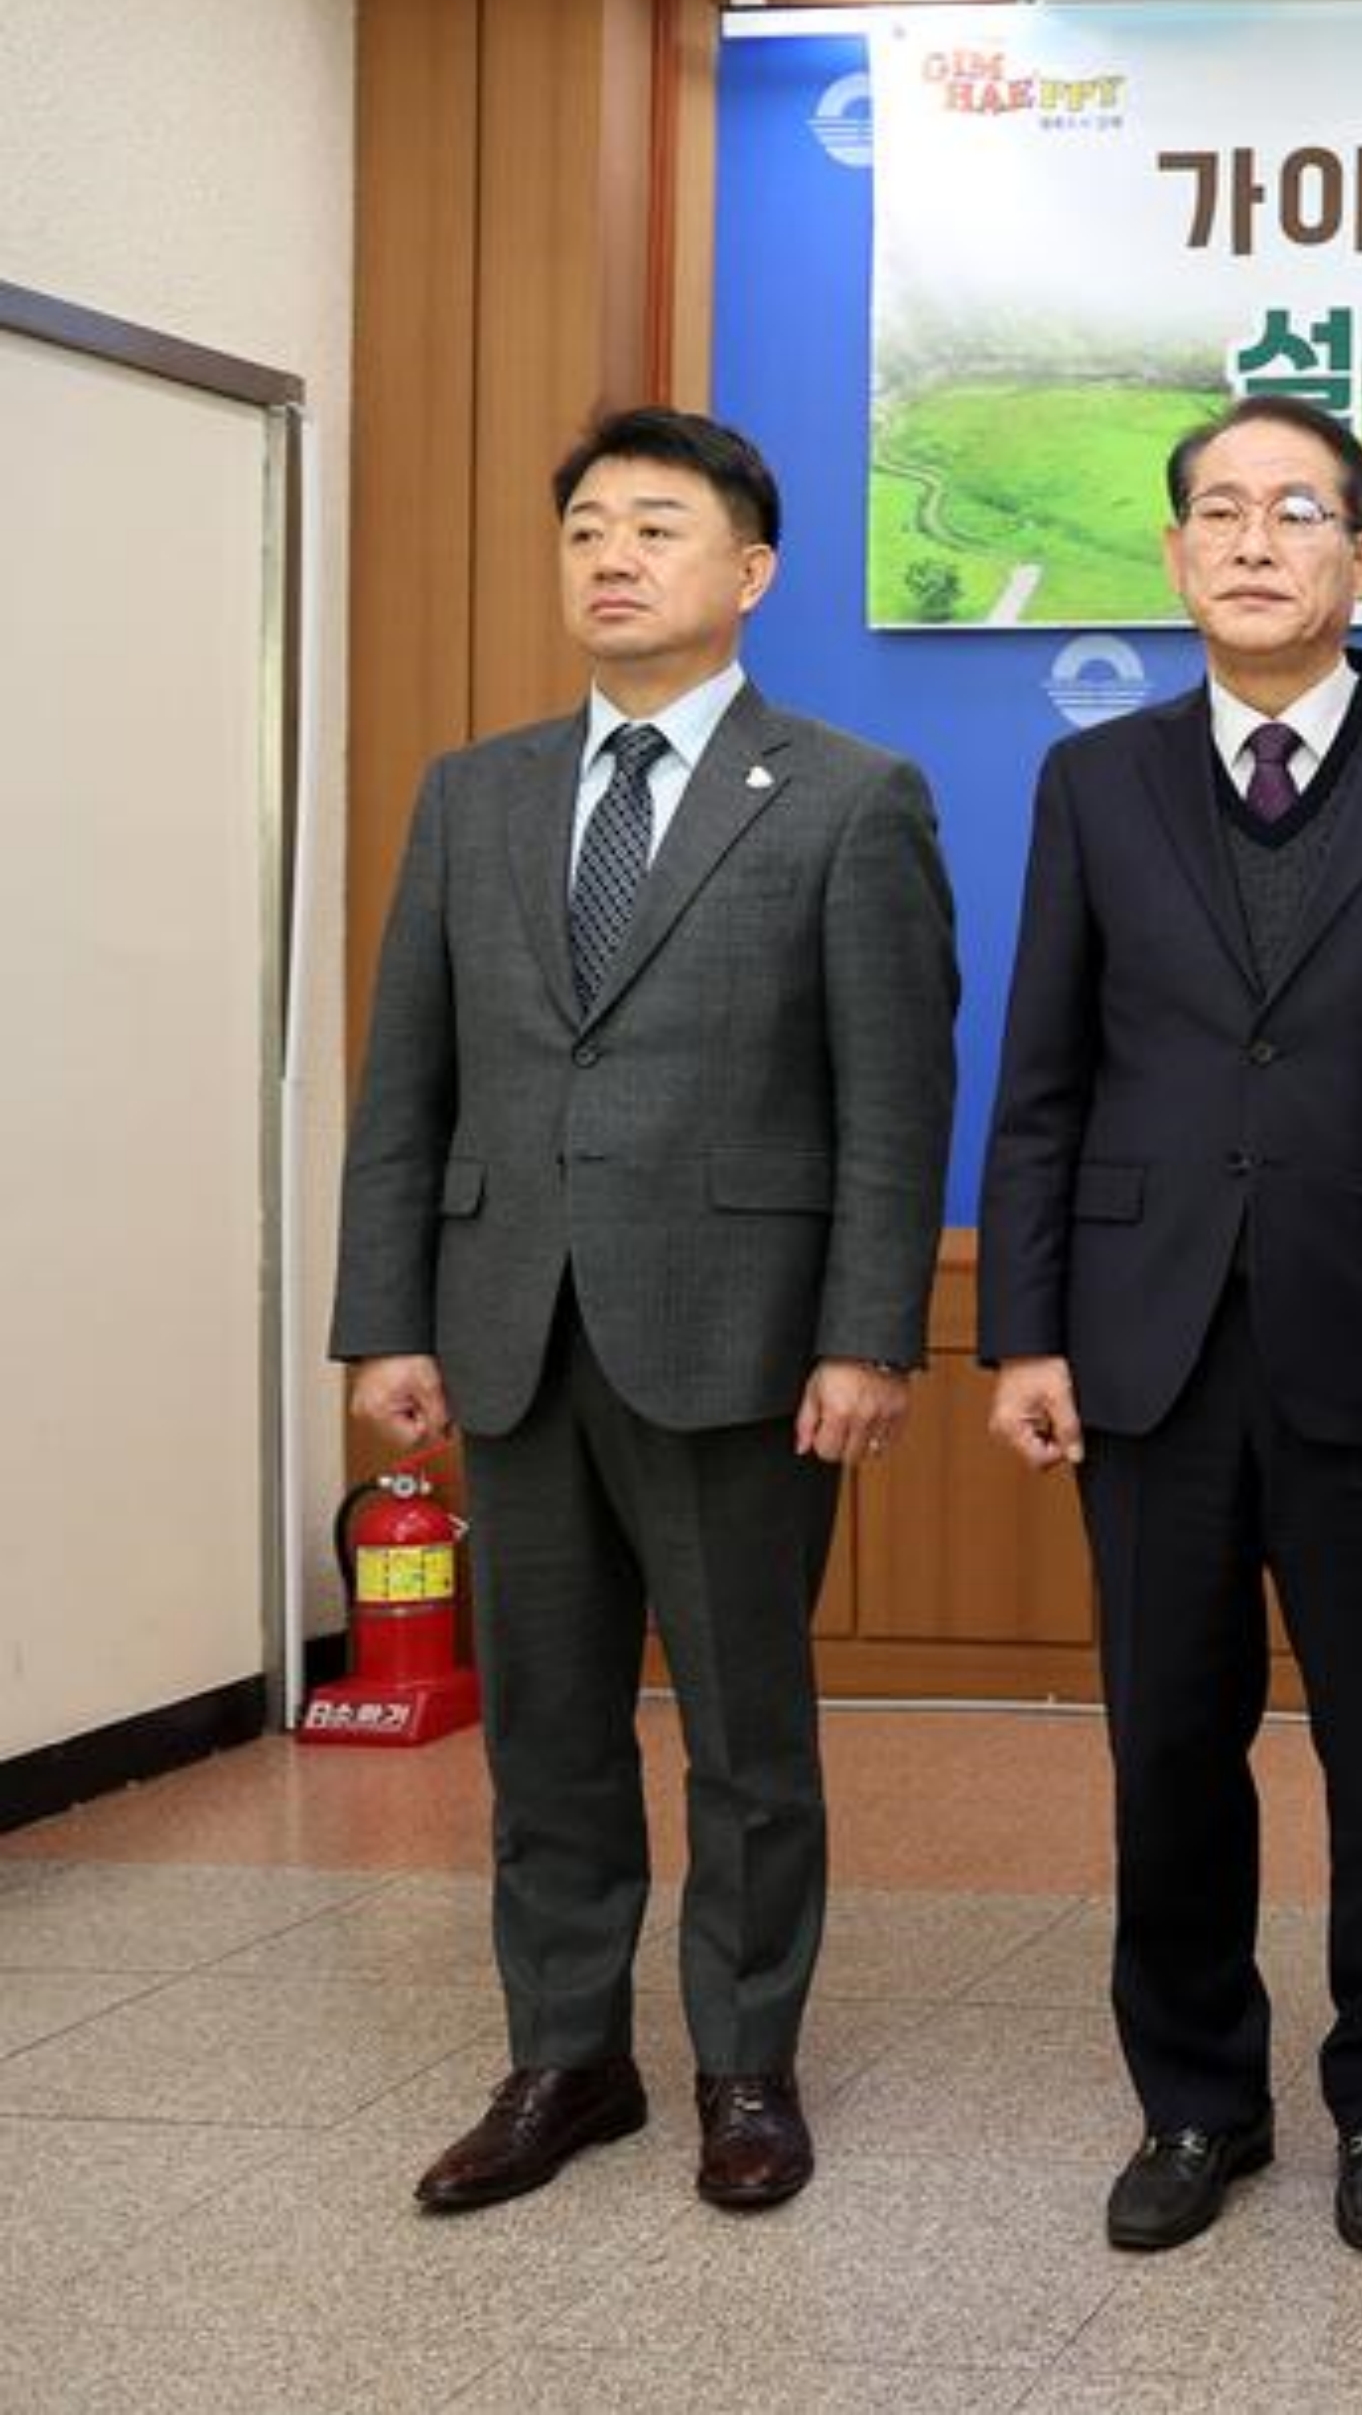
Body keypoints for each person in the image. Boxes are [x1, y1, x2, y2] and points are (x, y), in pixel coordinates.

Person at [333, 406, 958, 2215]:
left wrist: (867, 1333)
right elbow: (407, 1079)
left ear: (749, 572)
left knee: (748, 1734)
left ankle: (745, 2065)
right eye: (588, 528)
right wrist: (387, 1316)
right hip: (509, 1325)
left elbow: (892, 1095)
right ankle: (567, 2056)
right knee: (544, 1725)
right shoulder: (476, 794)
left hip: (743, 1339)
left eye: (657, 527)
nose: (613, 556)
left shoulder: (847, 794)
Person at [977, 393, 1362, 2258]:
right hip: (1143, 1343)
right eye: (1218, 510)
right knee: (1166, 1738)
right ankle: (1195, 2101)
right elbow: (1043, 1080)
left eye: (1296, 509)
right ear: (1173, 556)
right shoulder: (1097, 782)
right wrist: (1023, 1330)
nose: (1253, 540)